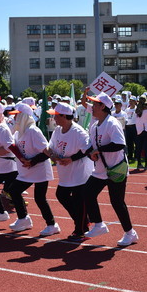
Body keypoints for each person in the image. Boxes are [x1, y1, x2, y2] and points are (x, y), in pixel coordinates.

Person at [83, 92, 138, 246]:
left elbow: (120, 144)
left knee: (117, 202)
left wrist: (98, 150)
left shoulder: (112, 123)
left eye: (95, 104)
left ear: (103, 106)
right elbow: (90, 146)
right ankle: (99, 224)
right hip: (101, 170)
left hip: (116, 169)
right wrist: (90, 154)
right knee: (87, 192)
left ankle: (130, 233)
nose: (92, 107)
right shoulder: (94, 125)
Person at [7, 102, 59, 236]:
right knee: (14, 190)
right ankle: (24, 219)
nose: (14, 118)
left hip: (40, 168)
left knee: (39, 198)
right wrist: (23, 160)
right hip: (27, 170)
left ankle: (52, 225)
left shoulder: (33, 131)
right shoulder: (19, 132)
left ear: (24, 116)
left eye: (16, 115)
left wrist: (32, 161)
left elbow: (46, 151)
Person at [47, 102, 93, 241]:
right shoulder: (57, 131)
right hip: (65, 173)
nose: (54, 119)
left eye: (56, 116)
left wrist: (71, 158)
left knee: (79, 201)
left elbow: (88, 149)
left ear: (64, 116)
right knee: (62, 195)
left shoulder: (78, 132)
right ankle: (83, 220)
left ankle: (80, 230)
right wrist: (53, 156)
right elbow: (50, 147)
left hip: (80, 173)